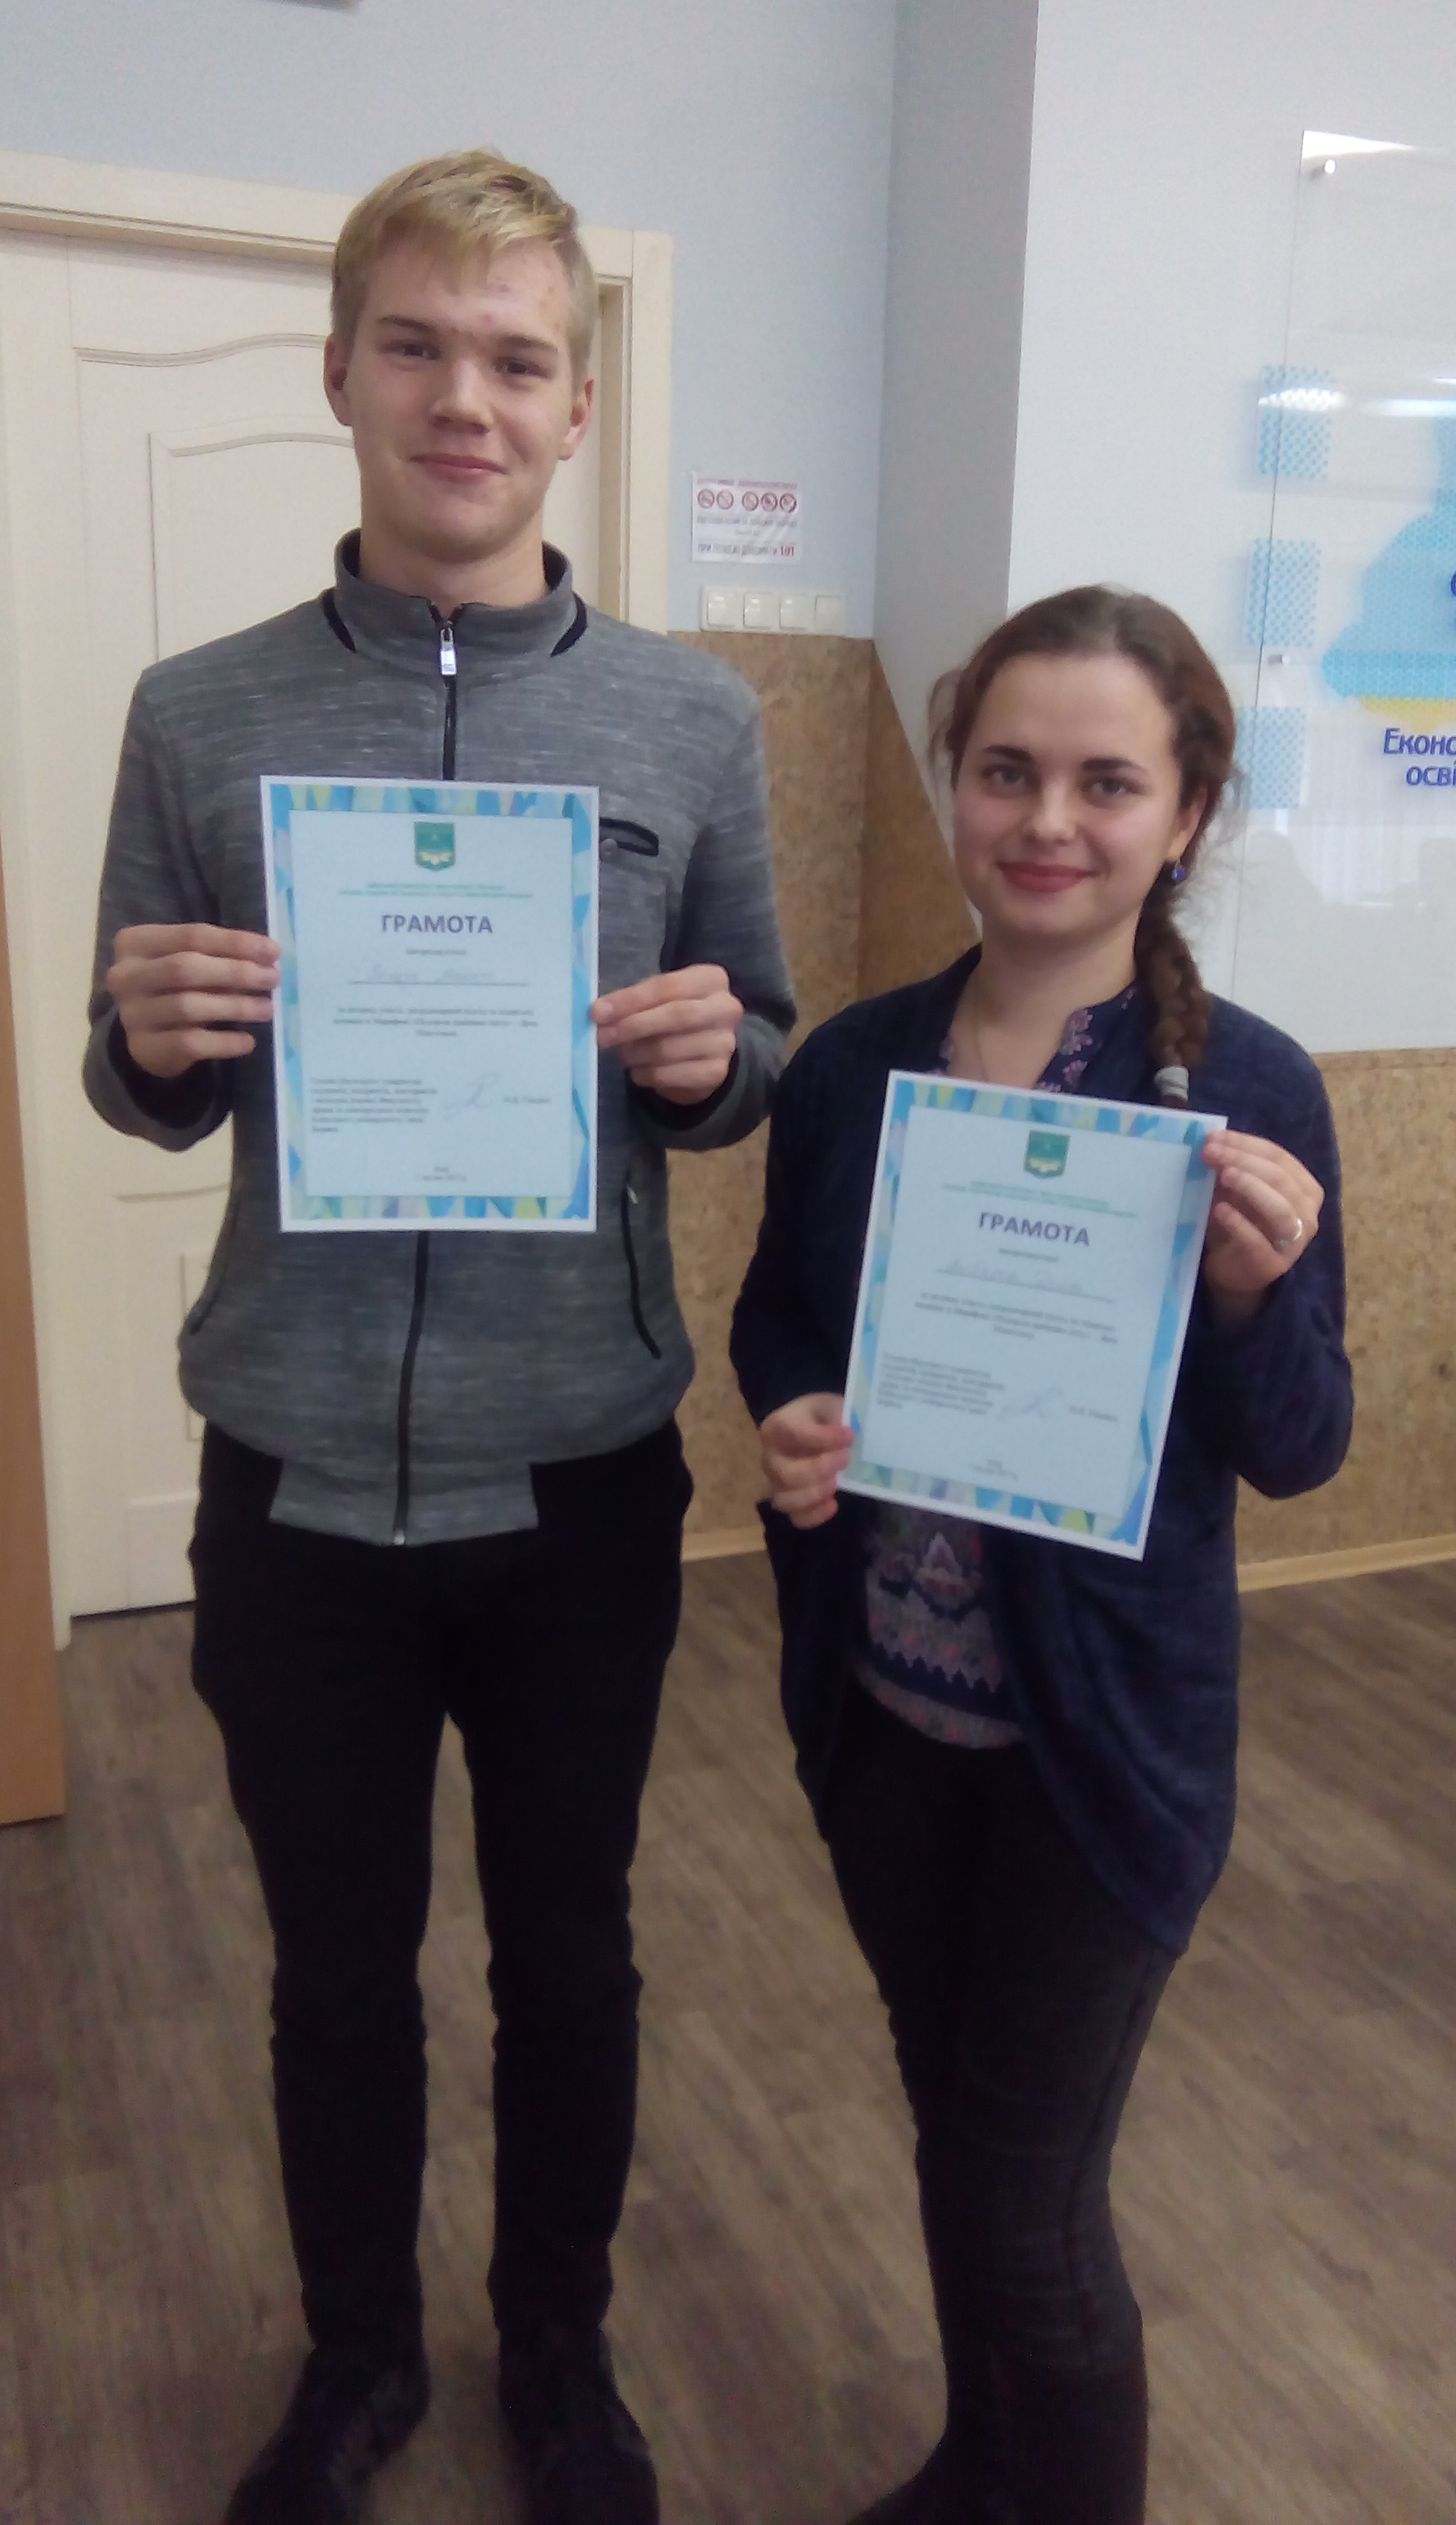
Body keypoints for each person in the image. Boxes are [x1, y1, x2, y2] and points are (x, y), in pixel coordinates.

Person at [84, 149, 794, 2525]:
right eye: (417, 345)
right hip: (293, 1477)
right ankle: (361, 2362)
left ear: (577, 404)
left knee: (571, 1958)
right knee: (334, 1972)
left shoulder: (690, 723)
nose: (464, 398)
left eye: (515, 359)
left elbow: (763, 1046)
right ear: (341, 373)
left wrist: (712, 1059)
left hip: (579, 1471)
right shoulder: (198, 713)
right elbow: (139, 1081)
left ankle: (560, 2356)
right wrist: (152, 1038)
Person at [730, 586, 1352, 2525]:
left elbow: (1304, 1446)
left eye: (1107, 782)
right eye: (1006, 772)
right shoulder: (857, 1068)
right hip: (889, 1721)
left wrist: (1253, 1304)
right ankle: (982, 2466)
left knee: (1027, 2200)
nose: (1049, 821)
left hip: (1103, 1756)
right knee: (955, 2131)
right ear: (954, 786)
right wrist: (794, 1416)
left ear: (1187, 814)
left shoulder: (1246, 1091)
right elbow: (780, 1318)